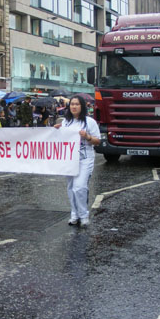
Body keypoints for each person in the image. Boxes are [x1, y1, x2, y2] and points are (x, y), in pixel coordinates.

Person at [54, 95, 100, 227]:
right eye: (72, 104)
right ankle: (74, 214)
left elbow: (97, 141)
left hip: (85, 159)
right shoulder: (65, 122)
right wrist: (56, 130)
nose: (74, 106)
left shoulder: (89, 122)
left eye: (77, 104)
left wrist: (87, 136)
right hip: (70, 159)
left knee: (79, 187)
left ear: (82, 106)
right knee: (71, 188)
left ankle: (83, 215)